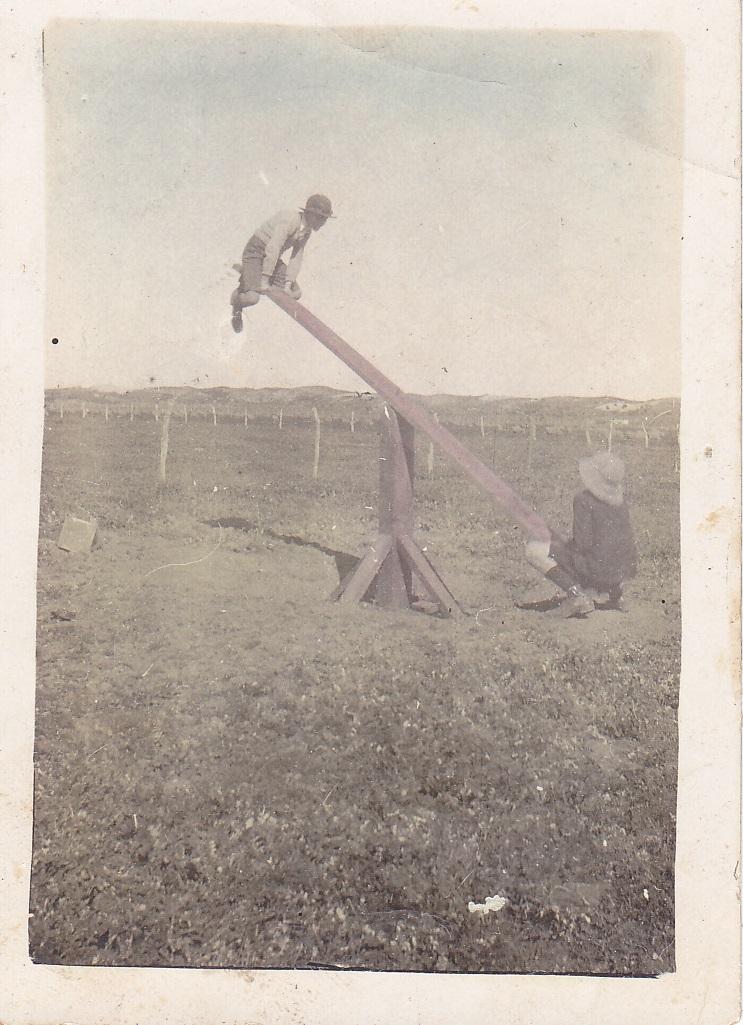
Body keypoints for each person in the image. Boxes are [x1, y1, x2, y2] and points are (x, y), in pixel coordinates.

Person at [524, 451, 637, 618]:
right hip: (620, 572)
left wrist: (559, 543)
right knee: (605, 552)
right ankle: (615, 594)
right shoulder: (621, 502)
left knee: (534, 549)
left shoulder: (583, 499)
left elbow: (583, 543)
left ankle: (577, 596)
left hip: (596, 571)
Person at [230, 194, 334, 333]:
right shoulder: (290, 220)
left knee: (296, 293)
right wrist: (265, 279)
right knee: (252, 298)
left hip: (271, 257)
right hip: (256, 251)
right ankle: (237, 299)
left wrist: (287, 285)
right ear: (310, 214)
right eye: (321, 218)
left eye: (325, 219)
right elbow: (273, 247)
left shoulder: (306, 231)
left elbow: (296, 257)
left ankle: (250, 277)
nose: (323, 222)